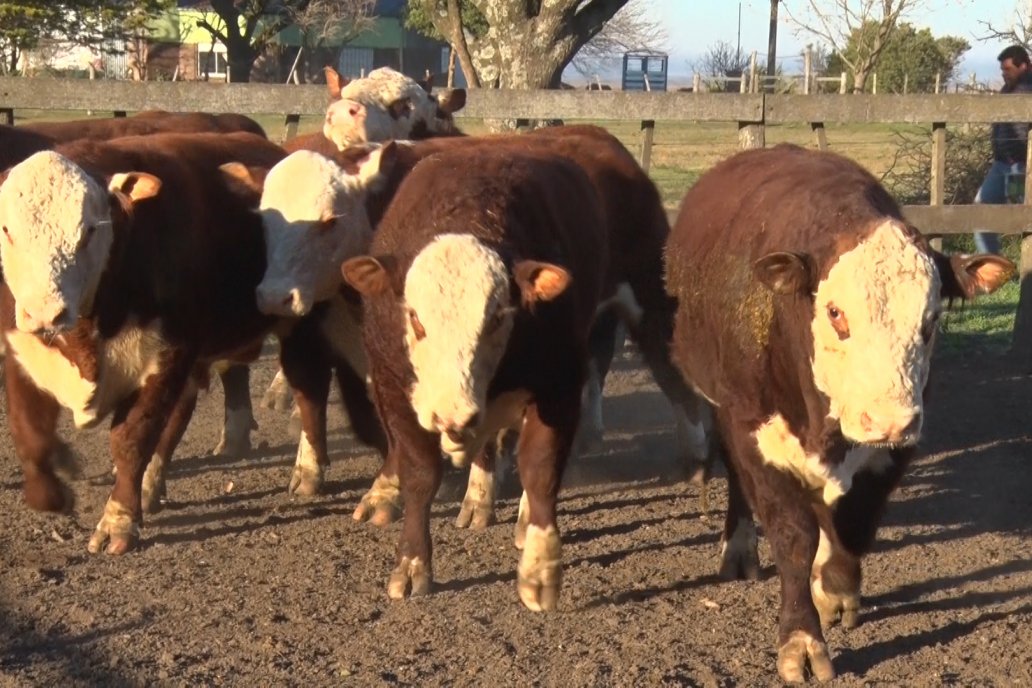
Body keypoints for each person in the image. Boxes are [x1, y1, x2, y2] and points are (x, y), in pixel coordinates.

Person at [974, 45, 1032, 254]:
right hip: (1002, 165)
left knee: (1022, 214)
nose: (1003, 73)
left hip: (1022, 167)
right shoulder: (1008, 89)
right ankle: (992, 264)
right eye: (1002, 70)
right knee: (982, 207)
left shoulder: (1028, 89)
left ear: (1023, 66)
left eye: (1007, 69)